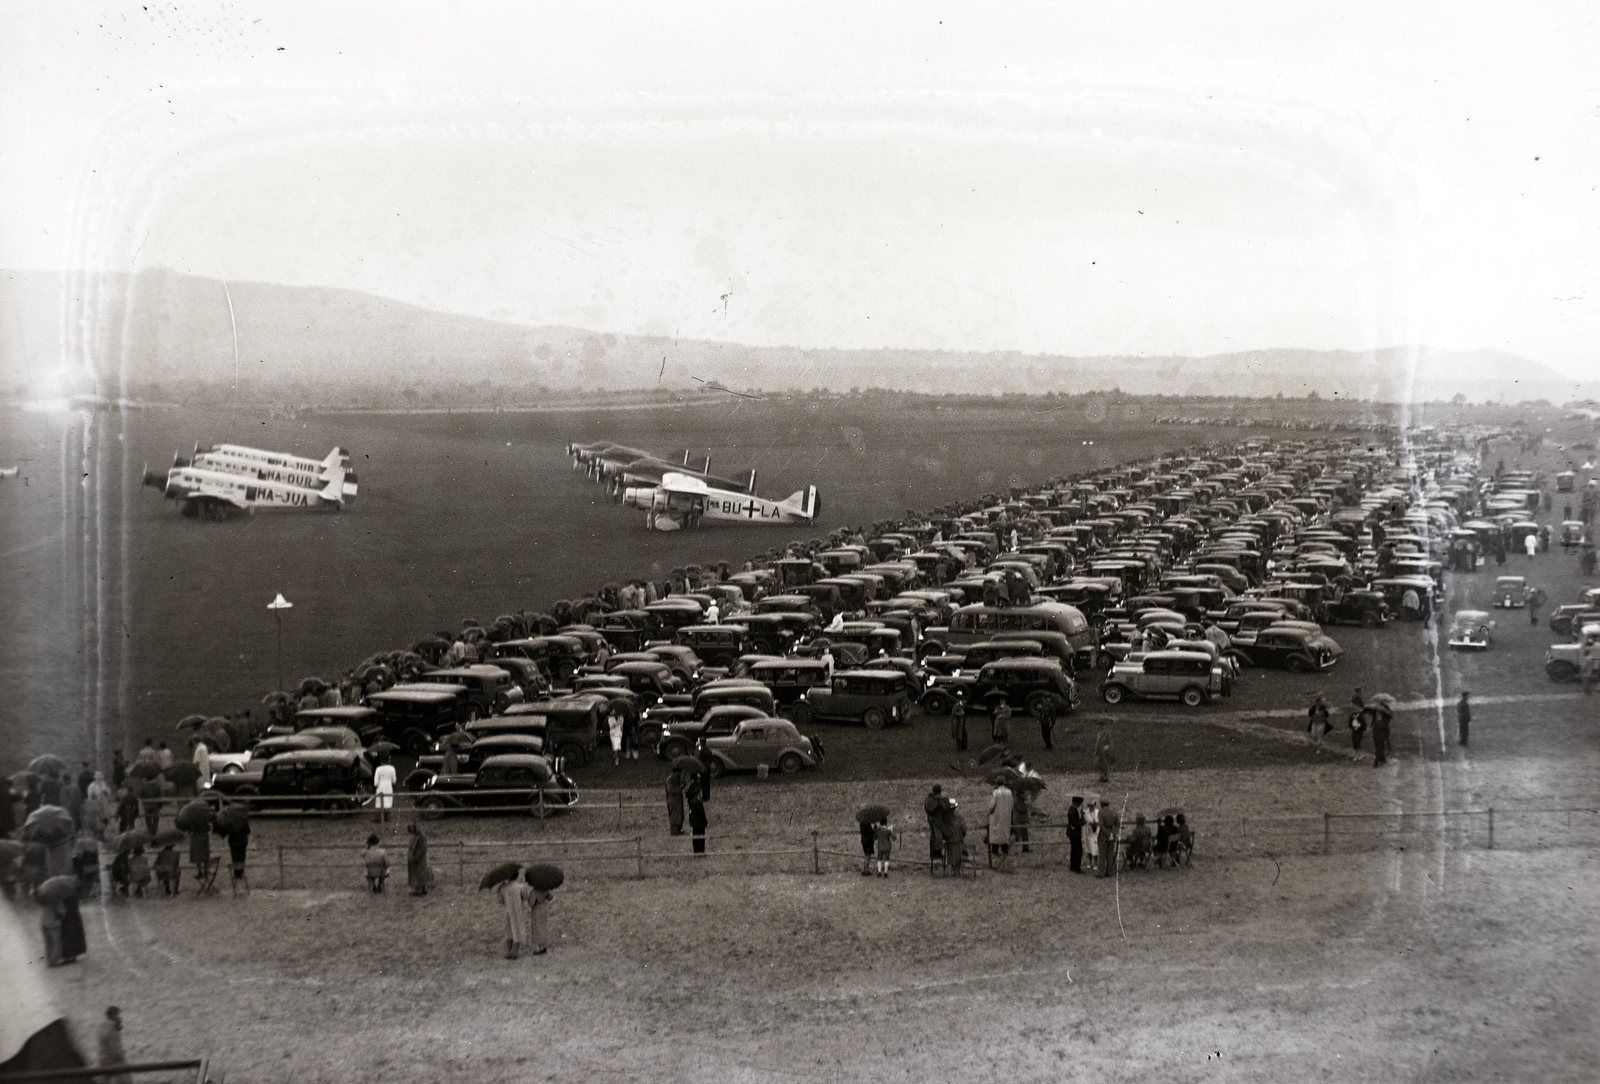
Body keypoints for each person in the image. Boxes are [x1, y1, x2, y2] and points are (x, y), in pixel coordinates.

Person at [497, 868, 535, 959]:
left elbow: (500, 901)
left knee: (509, 931)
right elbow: (526, 897)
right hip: (518, 910)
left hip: (508, 911)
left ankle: (508, 951)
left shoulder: (503, 887)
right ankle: (515, 952)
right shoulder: (520, 887)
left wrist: (499, 890)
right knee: (517, 930)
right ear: (517, 876)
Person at [987, 783, 1015, 873]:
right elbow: (1012, 805)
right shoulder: (1009, 792)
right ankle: (1005, 865)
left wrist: (989, 813)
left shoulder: (996, 793)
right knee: (1005, 846)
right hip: (1006, 821)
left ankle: (1000, 865)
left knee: (995, 847)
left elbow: (991, 807)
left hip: (996, 821)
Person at [97, 1007, 129, 1084]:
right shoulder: (112, 1030)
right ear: (112, 1016)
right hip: (115, 1061)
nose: (120, 1018)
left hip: (103, 1059)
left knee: (104, 1081)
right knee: (126, 1081)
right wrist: (121, 1054)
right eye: (118, 1015)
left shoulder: (102, 1027)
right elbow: (116, 1051)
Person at [923, 785, 949, 872]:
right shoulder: (938, 800)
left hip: (931, 820)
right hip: (938, 821)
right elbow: (945, 807)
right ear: (939, 791)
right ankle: (937, 854)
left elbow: (926, 808)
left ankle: (933, 853)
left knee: (933, 837)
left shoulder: (929, 799)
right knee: (939, 837)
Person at [226, 821, 250, 897]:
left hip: (233, 842)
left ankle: (236, 872)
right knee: (242, 856)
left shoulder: (230, 822)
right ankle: (241, 871)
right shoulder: (243, 821)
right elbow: (248, 831)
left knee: (234, 857)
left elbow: (227, 832)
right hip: (242, 841)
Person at [944, 800, 967, 877]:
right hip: (958, 841)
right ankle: (957, 872)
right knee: (958, 858)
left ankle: (949, 873)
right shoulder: (959, 817)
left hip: (949, 842)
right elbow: (964, 829)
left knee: (950, 859)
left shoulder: (945, 818)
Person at [406, 822, 429, 896]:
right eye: (409, 827)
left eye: (412, 827)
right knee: (418, 874)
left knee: (420, 874)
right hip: (414, 858)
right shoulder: (414, 836)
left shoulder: (421, 837)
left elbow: (423, 848)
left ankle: (419, 890)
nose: (410, 829)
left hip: (419, 858)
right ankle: (422, 889)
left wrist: (416, 857)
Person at [1096, 809, 1120, 878]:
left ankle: (1100, 873)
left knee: (1102, 855)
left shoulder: (1101, 813)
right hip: (1112, 834)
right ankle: (1109, 872)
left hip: (1104, 835)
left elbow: (1101, 825)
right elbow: (1117, 824)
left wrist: (1108, 833)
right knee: (1110, 854)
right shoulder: (1114, 813)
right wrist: (1113, 833)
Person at [373, 757, 397, 825]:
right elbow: (394, 781)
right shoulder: (392, 768)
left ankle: (378, 818)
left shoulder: (378, 769)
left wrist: (375, 786)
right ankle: (387, 817)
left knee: (379, 803)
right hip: (388, 787)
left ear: (381, 761)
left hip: (380, 787)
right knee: (388, 801)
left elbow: (376, 782)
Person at [1066, 796, 1086, 873]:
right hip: (1075, 833)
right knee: (1078, 850)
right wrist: (1082, 822)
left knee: (1074, 849)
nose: (1080, 805)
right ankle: (1077, 867)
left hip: (1072, 832)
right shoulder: (1073, 811)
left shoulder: (1072, 810)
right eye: (1080, 803)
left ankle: (1073, 866)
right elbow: (1074, 823)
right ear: (1076, 803)